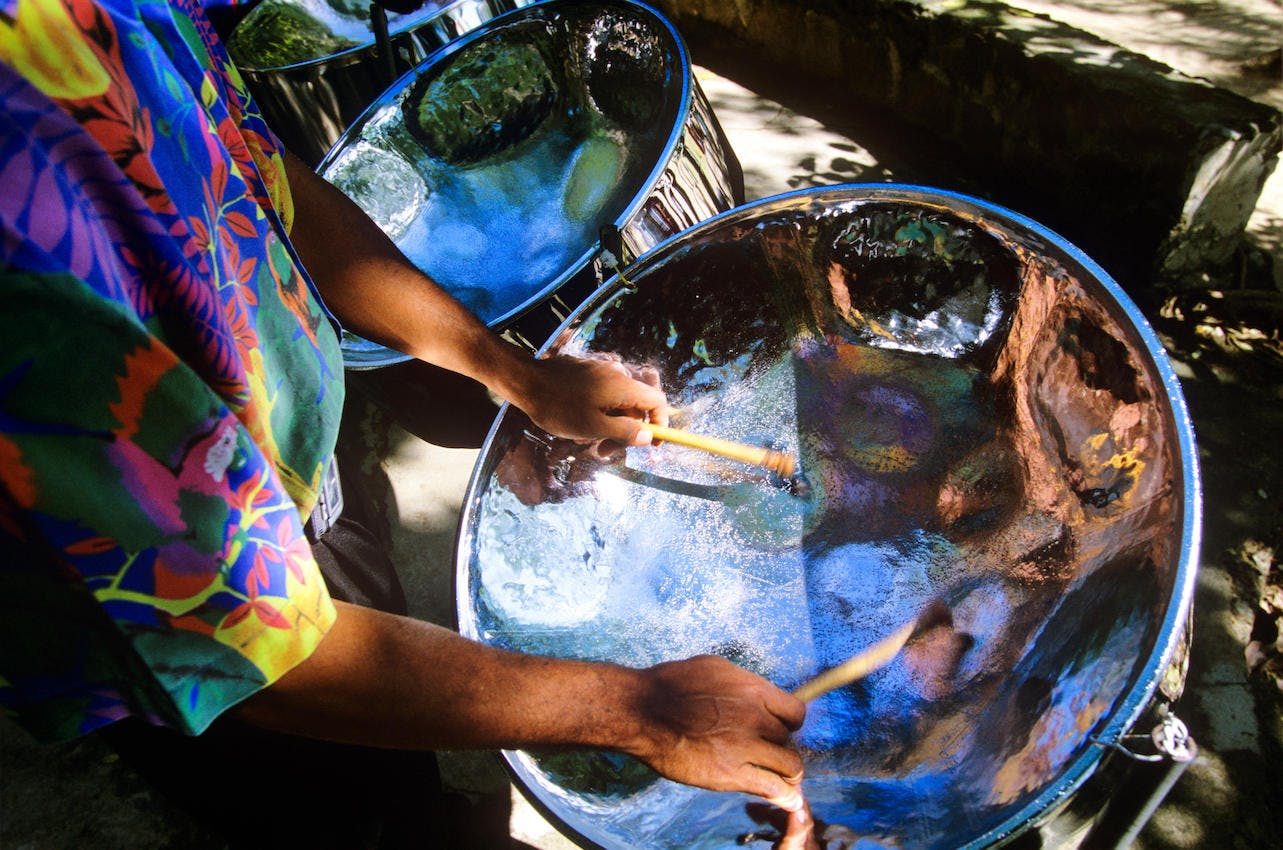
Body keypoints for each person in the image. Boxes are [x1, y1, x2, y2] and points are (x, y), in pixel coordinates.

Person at [0, 0, 817, 847]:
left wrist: (513, 371)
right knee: (335, 817)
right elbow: (247, 651)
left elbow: (264, 185)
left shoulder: (109, 17)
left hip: (295, 479)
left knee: (402, 779)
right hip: (193, 638)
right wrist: (641, 712)